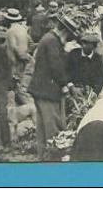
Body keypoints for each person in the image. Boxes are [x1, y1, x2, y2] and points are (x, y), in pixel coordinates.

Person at [27, 14, 79, 159]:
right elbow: (56, 67)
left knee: (42, 127)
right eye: (68, 35)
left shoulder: (49, 39)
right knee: (52, 127)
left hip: (41, 90)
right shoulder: (52, 42)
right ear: (64, 32)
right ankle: (53, 158)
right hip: (48, 91)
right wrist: (67, 84)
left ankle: (44, 157)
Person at [4, 8, 33, 105]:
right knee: (20, 84)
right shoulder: (23, 29)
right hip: (23, 60)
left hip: (14, 61)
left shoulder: (10, 31)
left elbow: (13, 46)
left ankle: (22, 106)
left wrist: (19, 54)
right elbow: (30, 43)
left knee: (14, 86)